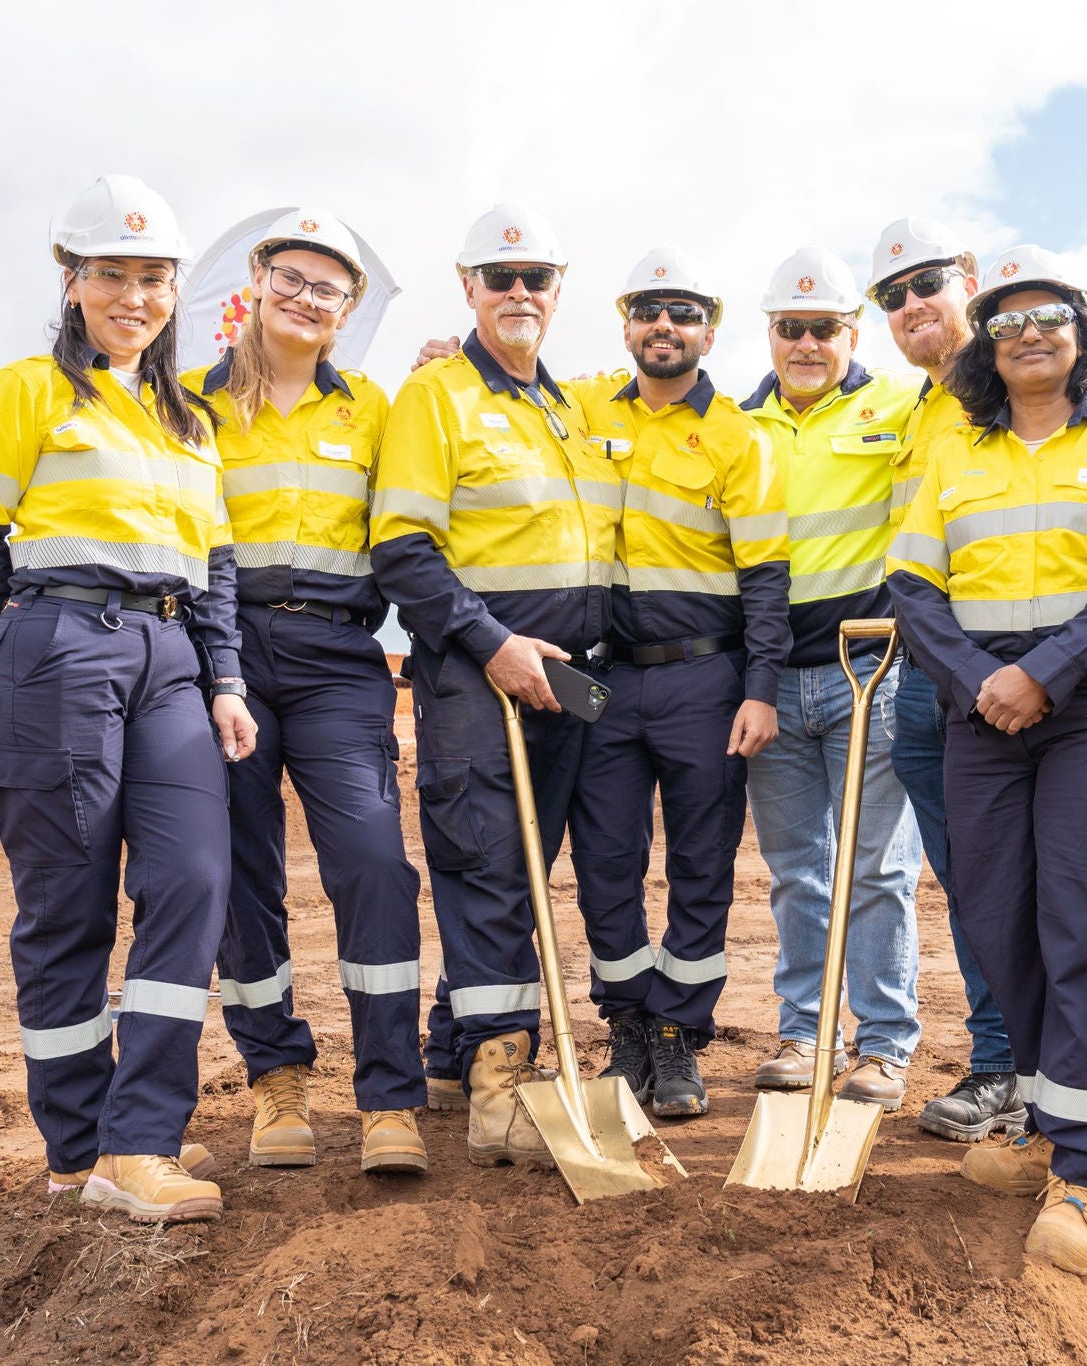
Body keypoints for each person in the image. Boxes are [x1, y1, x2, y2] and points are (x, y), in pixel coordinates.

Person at [0, 175, 256, 1223]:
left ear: (175, 289)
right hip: (61, 646)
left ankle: (140, 1136)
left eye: (152, 276)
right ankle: (78, 1146)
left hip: (173, 656)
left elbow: (213, 571)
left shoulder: (191, 418)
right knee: (67, 910)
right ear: (71, 283)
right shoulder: (28, 389)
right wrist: (44, 635)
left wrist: (222, 679)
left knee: (194, 877)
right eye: (110, 274)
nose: (133, 293)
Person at [888, 245, 1087, 1276]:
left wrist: (1045, 673)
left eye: (1049, 315)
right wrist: (982, 681)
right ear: (985, 343)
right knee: (995, 916)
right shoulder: (952, 451)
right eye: (1007, 319)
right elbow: (912, 589)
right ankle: (1049, 1125)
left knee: (1083, 917)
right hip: (981, 708)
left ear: (1080, 332)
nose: (1028, 332)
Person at [369, 203, 621, 1168]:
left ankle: (446, 1058)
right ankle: (497, 1085)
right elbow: (403, 549)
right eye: (500, 277)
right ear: (467, 285)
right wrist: (491, 643)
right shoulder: (436, 397)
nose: (521, 293)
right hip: (482, 678)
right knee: (487, 871)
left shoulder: (565, 406)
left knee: (517, 869)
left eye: (538, 278)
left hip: (564, 681)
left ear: (559, 291)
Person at [183, 210, 428, 1176]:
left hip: (338, 660)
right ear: (256, 281)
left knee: (373, 863)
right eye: (290, 277)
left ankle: (389, 1096)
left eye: (328, 288)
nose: (305, 297)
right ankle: (275, 1079)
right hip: (223, 656)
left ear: (348, 309)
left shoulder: (374, 408)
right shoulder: (189, 404)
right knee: (244, 877)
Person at [561, 249, 789, 1118]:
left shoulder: (740, 436)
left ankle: (676, 1036)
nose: (666, 325)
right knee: (606, 863)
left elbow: (766, 577)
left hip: (705, 678)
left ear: (709, 330)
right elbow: (498, 394)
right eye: (651, 309)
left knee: (701, 865)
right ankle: (624, 1024)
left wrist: (759, 688)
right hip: (600, 684)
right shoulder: (577, 407)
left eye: (684, 311)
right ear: (627, 324)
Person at [740, 247, 924, 1111]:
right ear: (770, 334)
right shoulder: (737, 425)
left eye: (823, 328)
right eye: (790, 328)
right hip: (773, 681)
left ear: (852, 332)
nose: (806, 343)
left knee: (879, 867)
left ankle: (883, 1045)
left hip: (872, 674)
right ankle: (804, 1030)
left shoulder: (906, 405)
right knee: (797, 871)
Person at [866, 216, 1023, 1144]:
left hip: (1009, 676)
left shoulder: (1021, 380)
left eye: (927, 282)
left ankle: (1029, 1065)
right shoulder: (916, 413)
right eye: (892, 294)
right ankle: (1003, 1060)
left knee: (1015, 876)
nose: (913, 304)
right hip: (926, 681)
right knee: (967, 879)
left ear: (968, 278)